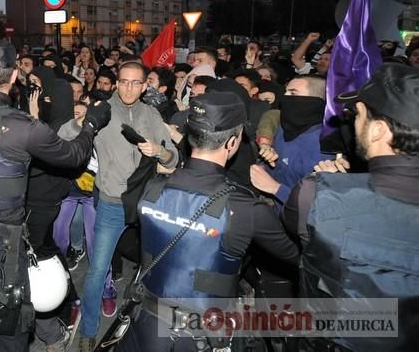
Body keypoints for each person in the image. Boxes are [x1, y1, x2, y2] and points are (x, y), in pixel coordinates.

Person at [0, 39, 111, 351]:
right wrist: (92, 125)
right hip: (3, 247)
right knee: (9, 332)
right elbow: (73, 156)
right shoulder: (21, 126)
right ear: (15, 75)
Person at [115, 92, 299, 352]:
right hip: (202, 336)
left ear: (190, 135)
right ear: (233, 142)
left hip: (146, 325)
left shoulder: (153, 189)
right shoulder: (245, 207)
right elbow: (299, 256)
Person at [284, 64, 419, 352]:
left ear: (378, 130)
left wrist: (337, 186)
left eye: (358, 115)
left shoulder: (317, 194)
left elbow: (293, 224)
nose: (352, 123)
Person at [78, 61, 178, 351]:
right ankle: (88, 330)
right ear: (116, 82)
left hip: (146, 203)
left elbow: (173, 158)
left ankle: (149, 329)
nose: (129, 88)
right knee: (97, 270)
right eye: (123, 82)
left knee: (157, 268)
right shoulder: (101, 111)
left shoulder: (151, 114)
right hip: (111, 203)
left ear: (145, 85)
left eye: (136, 83)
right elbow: (66, 141)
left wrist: (158, 151)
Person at [250, 75, 330, 208]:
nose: (285, 98)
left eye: (293, 93)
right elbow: (272, 115)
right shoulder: (285, 127)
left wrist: (276, 188)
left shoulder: (326, 146)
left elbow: (320, 206)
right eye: (286, 92)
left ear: (314, 100)